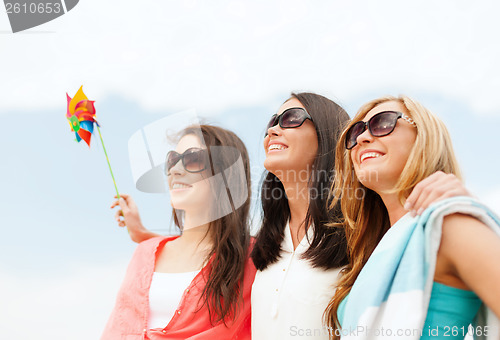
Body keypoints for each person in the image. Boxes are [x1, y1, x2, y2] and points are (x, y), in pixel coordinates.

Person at [118, 93, 471, 339]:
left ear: (329, 135)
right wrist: (144, 235)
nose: (273, 128)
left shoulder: (361, 230)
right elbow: (209, 251)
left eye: (291, 118)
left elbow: (413, 236)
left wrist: (454, 196)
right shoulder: (264, 248)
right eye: (273, 121)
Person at [325, 95, 500, 339]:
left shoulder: (447, 223)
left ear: (425, 139)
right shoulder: (377, 250)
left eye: (383, 123)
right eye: (356, 132)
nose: (363, 138)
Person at [102, 125, 256, 339]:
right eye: (172, 160)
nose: (175, 169)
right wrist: (143, 234)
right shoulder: (145, 252)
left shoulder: (254, 258)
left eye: (193, 159)